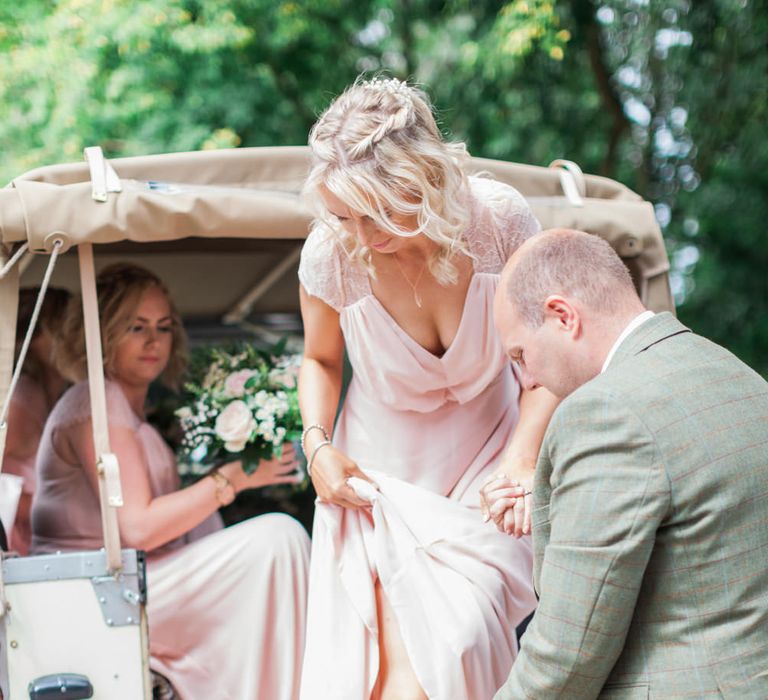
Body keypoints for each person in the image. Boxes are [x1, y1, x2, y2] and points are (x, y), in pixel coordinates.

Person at [298, 77, 560, 700]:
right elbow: (319, 360)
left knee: (465, 632)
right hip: (379, 469)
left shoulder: (499, 221)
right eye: (343, 215)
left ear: (420, 181)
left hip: (493, 457)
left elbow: (551, 360)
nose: (360, 235)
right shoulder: (331, 255)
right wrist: (317, 447)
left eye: (376, 212)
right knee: (389, 665)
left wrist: (522, 462)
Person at [486, 228, 768, 698]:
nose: (528, 379)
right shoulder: (737, 374)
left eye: (521, 354)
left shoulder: (604, 413)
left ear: (562, 316)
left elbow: (567, 653)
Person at [30, 263, 310, 700]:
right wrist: (230, 479)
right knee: (279, 539)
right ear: (102, 334)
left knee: (272, 549)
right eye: (135, 327)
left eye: (163, 327)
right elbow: (138, 528)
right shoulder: (94, 402)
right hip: (94, 590)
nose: (153, 341)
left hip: (132, 579)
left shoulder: (126, 409)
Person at [2, 287, 70, 554]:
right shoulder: (22, 397)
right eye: (62, 330)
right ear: (33, 337)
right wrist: (51, 513)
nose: (74, 341)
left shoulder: (49, 397)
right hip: (21, 544)